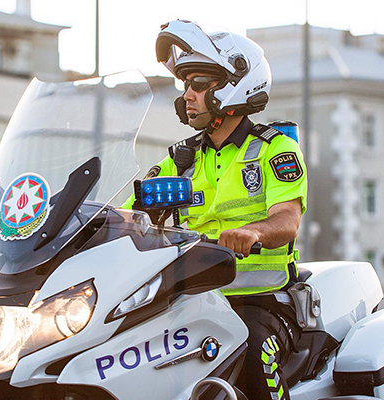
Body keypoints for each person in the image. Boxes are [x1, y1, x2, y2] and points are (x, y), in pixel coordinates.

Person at [123, 20, 307, 400]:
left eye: (199, 83)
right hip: (191, 303)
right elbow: (127, 216)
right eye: (185, 84)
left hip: (261, 304)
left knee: (253, 352)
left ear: (234, 86)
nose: (187, 94)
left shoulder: (274, 150)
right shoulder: (181, 160)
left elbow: (287, 220)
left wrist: (252, 233)